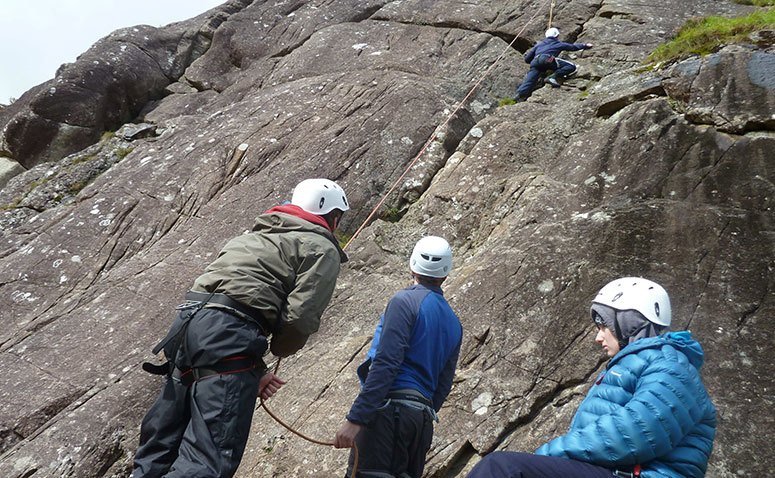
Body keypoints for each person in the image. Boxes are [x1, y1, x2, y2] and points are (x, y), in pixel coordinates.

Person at [131, 178, 350, 478]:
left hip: (186, 327)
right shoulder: (321, 247)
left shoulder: (250, 237)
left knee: (160, 443)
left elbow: (226, 301)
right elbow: (300, 316)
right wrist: (280, 349)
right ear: (333, 218)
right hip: (228, 335)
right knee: (208, 458)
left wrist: (255, 369)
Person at [467, 277, 717, 478]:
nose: (598, 337)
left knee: (502, 469)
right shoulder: (643, 364)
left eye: (603, 326)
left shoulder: (671, 365)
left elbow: (637, 430)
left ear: (629, 323)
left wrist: (549, 455)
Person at [333, 236, 463, 478]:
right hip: (420, 423)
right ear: (445, 273)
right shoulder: (454, 323)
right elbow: (443, 385)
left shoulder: (404, 301)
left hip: (388, 414)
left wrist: (357, 419)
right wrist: (416, 416)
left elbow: (386, 362)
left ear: (412, 265)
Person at [515, 27, 592, 102]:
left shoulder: (539, 45)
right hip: (547, 59)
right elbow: (572, 47)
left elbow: (527, 59)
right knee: (571, 66)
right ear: (556, 36)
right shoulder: (557, 43)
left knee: (530, 80)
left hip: (535, 62)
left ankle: (519, 95)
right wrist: (585, 45)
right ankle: (552, 77)